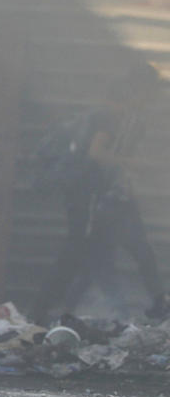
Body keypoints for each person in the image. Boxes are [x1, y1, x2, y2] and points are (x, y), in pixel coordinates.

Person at [30, 62, 169, 326]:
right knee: (79, 253)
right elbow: (97, 153)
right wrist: (128, 163)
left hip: (112, 196)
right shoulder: (110, 116)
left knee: (134, 249)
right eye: (149, 92)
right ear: (137, 90)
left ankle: (157, 306)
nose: (152, 99)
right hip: (90, 197)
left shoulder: (128, 118)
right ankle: (41, 311)